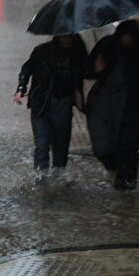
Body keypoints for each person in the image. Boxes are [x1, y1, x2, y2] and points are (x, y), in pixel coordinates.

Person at [85, 20, 139, 190]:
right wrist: (98, 66)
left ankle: (127, 186)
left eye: (129, 38)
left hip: (134, 108)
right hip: (104, 104)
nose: (125, 42)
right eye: (123, 38)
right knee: (102, 146)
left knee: (128, 147)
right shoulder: (107, 46)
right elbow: (88, 71)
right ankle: (115, 170)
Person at [15, 34, 88, 177]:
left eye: (70, 37)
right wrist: (20, 90)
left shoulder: (77, 54)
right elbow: (26, 69)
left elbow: (81, 77)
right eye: (64, 37)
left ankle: (57, 179)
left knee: (61, 147)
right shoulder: (42, 51)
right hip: (41, 105)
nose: (67, 40)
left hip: (64, 105)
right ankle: (40, 180)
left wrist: (78, 96)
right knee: (42, 144)